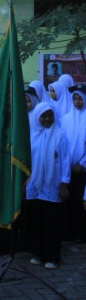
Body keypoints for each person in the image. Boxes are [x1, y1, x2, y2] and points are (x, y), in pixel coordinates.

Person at [25, 102, 70, 269]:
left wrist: (64, 185)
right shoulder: (32, 136)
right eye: (43, 116)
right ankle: (37, 253)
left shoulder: (60, 136)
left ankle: (52, 256)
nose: (47, 119)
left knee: (51, 222)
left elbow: (65, 161)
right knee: (37, 221)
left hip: (53, 186)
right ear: (37, 117)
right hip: (35, 185)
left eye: (50, 115)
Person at [60, 84, 86, 243]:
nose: (77, 102)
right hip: (67, 169)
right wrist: (67, 164)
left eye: (80, 99)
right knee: (68, 201)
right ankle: (67, 232)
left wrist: (82, 163)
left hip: (83, 170)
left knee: (80, 203)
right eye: (74, 98)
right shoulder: (65, 119)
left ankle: (80, 234)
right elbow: (62, 144)